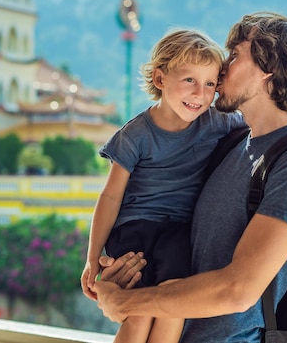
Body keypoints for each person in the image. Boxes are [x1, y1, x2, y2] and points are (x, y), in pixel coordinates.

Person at [91, 12, 287, 342]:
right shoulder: (229, 143)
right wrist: (121, 279)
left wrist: (127, 302)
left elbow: (239, 290)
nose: (220, 70)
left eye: (234, 56)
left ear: (268, 71)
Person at [80, 28, 245, 343]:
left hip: (179, 233)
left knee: (173, 304)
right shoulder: (135, 136)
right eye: (189, 81)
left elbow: (260, 121)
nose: (200, 93)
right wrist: (91, 258)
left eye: (210, 84)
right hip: (134, 230)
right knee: (139, 313)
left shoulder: (216, 122)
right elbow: (111, 196)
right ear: (160, 79)